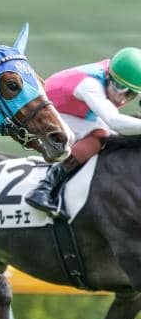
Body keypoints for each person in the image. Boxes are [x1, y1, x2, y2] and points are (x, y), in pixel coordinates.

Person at [25, 47, 141, 215]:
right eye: (120, 88)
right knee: (101, 133)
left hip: (65, 110)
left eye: (131, 95)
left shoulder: (109, 74)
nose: (122, 99)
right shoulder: (90, 84)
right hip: (41, 114)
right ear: (110, 77)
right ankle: (45, 186)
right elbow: (114, 121)